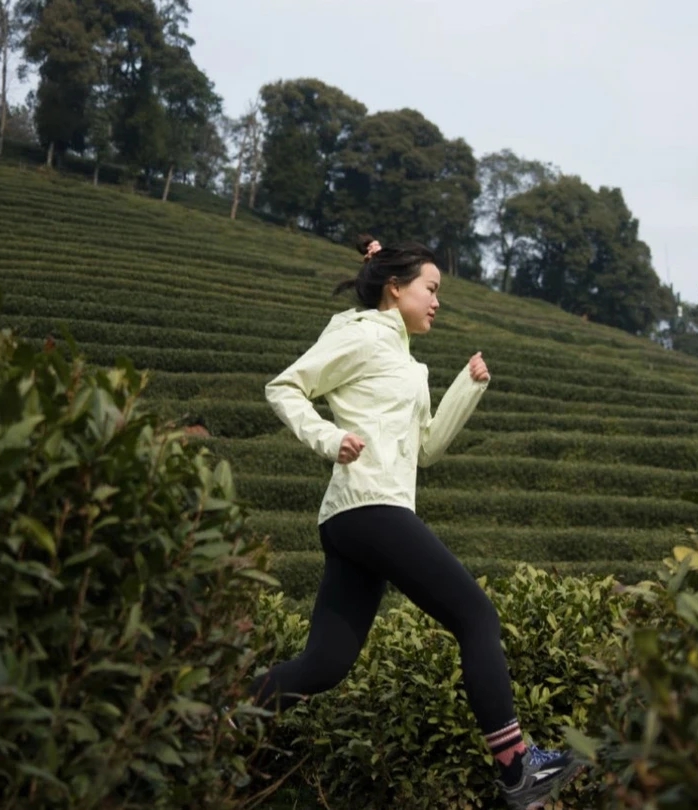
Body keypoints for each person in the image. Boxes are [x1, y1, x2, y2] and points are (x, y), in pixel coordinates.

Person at [244, 233, 583, 808]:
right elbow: (286, 386)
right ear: (395, 289)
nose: (437, 300)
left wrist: (466, 389)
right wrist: (330, 438)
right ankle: (516, 768)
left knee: (325, 664)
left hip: (360, 516)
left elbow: (425, 449)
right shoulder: (361, 336)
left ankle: (221, 715)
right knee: (476, 616)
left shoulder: (406, 361)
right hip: (370, 504)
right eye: (430, 288)